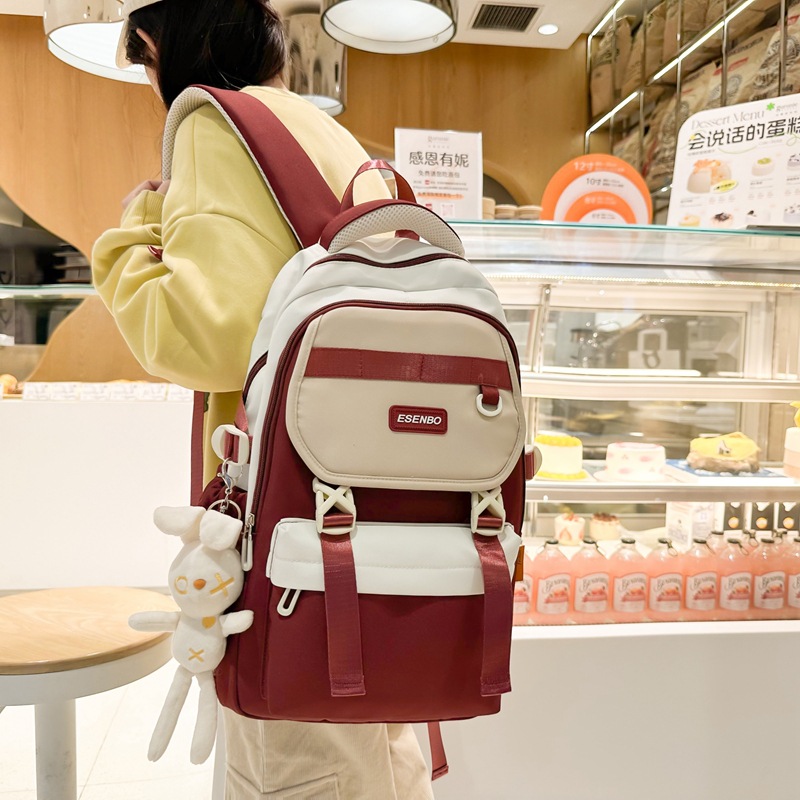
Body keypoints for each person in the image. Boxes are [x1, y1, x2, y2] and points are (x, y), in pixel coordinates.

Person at [91, 1, 434, 797]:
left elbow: (202, 337)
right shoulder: (325, 134)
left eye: (144, 64)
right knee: (377, 744)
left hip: (287, 524)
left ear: (158, 42)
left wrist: (133, 231)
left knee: (298, 761)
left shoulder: (213, 125)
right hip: (371, 499)